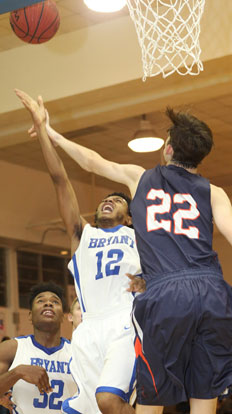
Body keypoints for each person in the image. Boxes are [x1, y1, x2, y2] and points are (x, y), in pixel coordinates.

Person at [25, 101, 232, 414]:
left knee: (153, 396)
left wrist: (51, 132)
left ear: (168, 149)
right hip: (212, 291)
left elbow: (92, 162)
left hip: (166, 293)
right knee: (205, 393)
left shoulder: (142, 178)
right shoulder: (213, 191)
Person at [15, 89, 142, 414]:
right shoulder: (81, 235)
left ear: (129, 217)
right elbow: (59, 179)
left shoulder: (138, 236)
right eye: (104, 200)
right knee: (89, 409)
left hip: (123, 323)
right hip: (88, 330)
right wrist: (42, 129)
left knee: (110, 401)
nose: (107, 201)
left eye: (118, 201)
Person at [0, 281, 77, 414]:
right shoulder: (12, 348)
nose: (48, 303)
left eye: (55, 302)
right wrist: (17, 372)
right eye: (41, 301)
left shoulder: (77, 352)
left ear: (63, 317)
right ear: (30, 315)